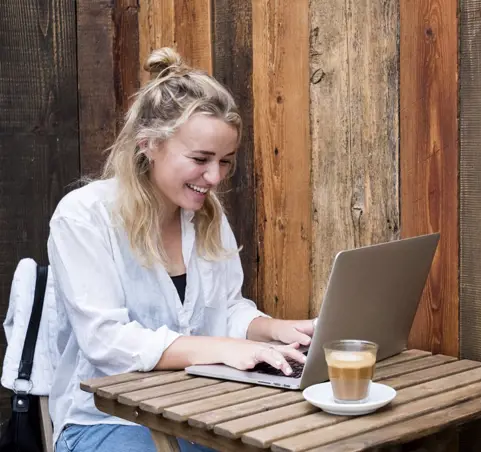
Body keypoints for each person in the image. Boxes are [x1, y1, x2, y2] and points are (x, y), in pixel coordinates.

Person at [46, 47, 313, 452]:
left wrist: (274, 329)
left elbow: (225, 308)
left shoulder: (206, 215)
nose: (214, 177)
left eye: (226, 161)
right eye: (201, 159)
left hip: (201, 413)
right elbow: (106, 342)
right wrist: (225, 348)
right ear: (149, 144)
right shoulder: (84, 217)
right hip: (105, 421)